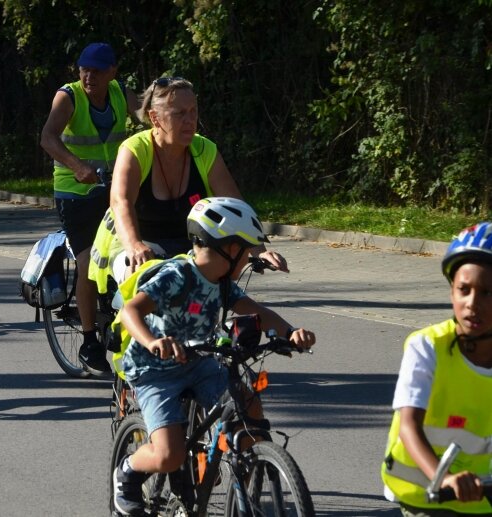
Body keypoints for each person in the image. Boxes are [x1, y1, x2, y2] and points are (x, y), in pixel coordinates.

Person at [111, 197, 316, 515]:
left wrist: (290, 333)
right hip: (155, 370)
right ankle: (127, 473)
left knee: (249, 406)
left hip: (199, 362)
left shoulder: (222, 284)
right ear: (228, 249)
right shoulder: (178, 275)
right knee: (169, 456)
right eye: (247, 251)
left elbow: (258, 312)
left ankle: (246, 469)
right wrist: (153, 341)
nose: (249, 258)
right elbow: (130, 311)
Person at [88, 76, 287, 295]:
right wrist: (135, 245)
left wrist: (259, 250)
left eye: (193, 111)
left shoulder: (204, 149)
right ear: (155, 118)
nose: (190, 120)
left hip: (189, 246)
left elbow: (235, 205)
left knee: (220, 294)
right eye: (179, 113)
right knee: (147, 289)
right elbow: (120, 202)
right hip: (137, 241)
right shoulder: (135, 149)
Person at [40, 42, 139, 376]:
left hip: (115, 190)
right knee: (87, 263)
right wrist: (77, 166)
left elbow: (152, 118)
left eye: (97, 70)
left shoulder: (121, 93)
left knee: (137, 253)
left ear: (113, 71)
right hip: (75, 194)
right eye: (84, 68)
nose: (88, 76)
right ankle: (88, 341)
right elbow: (48, 138)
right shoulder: (68, 97)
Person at [382, 222, 492, 517]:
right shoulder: (427, 346)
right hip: (424, 495)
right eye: (464, 290)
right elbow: (408, 426)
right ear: (451, 293)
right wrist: (444, 478)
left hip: (482, 498)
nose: (472, 304)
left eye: (487, 293)